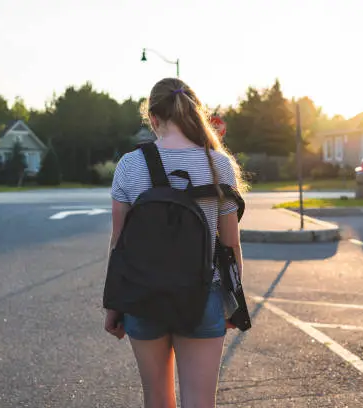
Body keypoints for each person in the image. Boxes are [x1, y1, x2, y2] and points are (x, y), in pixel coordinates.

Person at [104, 77, 248, 408]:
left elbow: (119, 244)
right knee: (199, 402)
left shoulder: (130, 165)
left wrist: (114, 304)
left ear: (153, 118)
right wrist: (231, 303)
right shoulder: (218, 165)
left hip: (142, 296)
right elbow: (230, 247)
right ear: (192, 113)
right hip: (203, 296)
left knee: (156, 398)